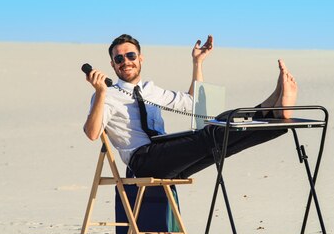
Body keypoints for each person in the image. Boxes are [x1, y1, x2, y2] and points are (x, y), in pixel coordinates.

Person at [83, 33, 298, 182]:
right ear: (112, 65)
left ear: (140, 58)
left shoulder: (150, 89)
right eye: (118, 58)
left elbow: (192, 104)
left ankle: (271, 111)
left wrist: (198, 63)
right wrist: (101, 92)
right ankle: (271, 109)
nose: (125, 61)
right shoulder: (106, 95)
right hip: (143, 161)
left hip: (166, 156)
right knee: (211, 135)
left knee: (222, 137)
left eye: (130, 56)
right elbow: (92, 134)